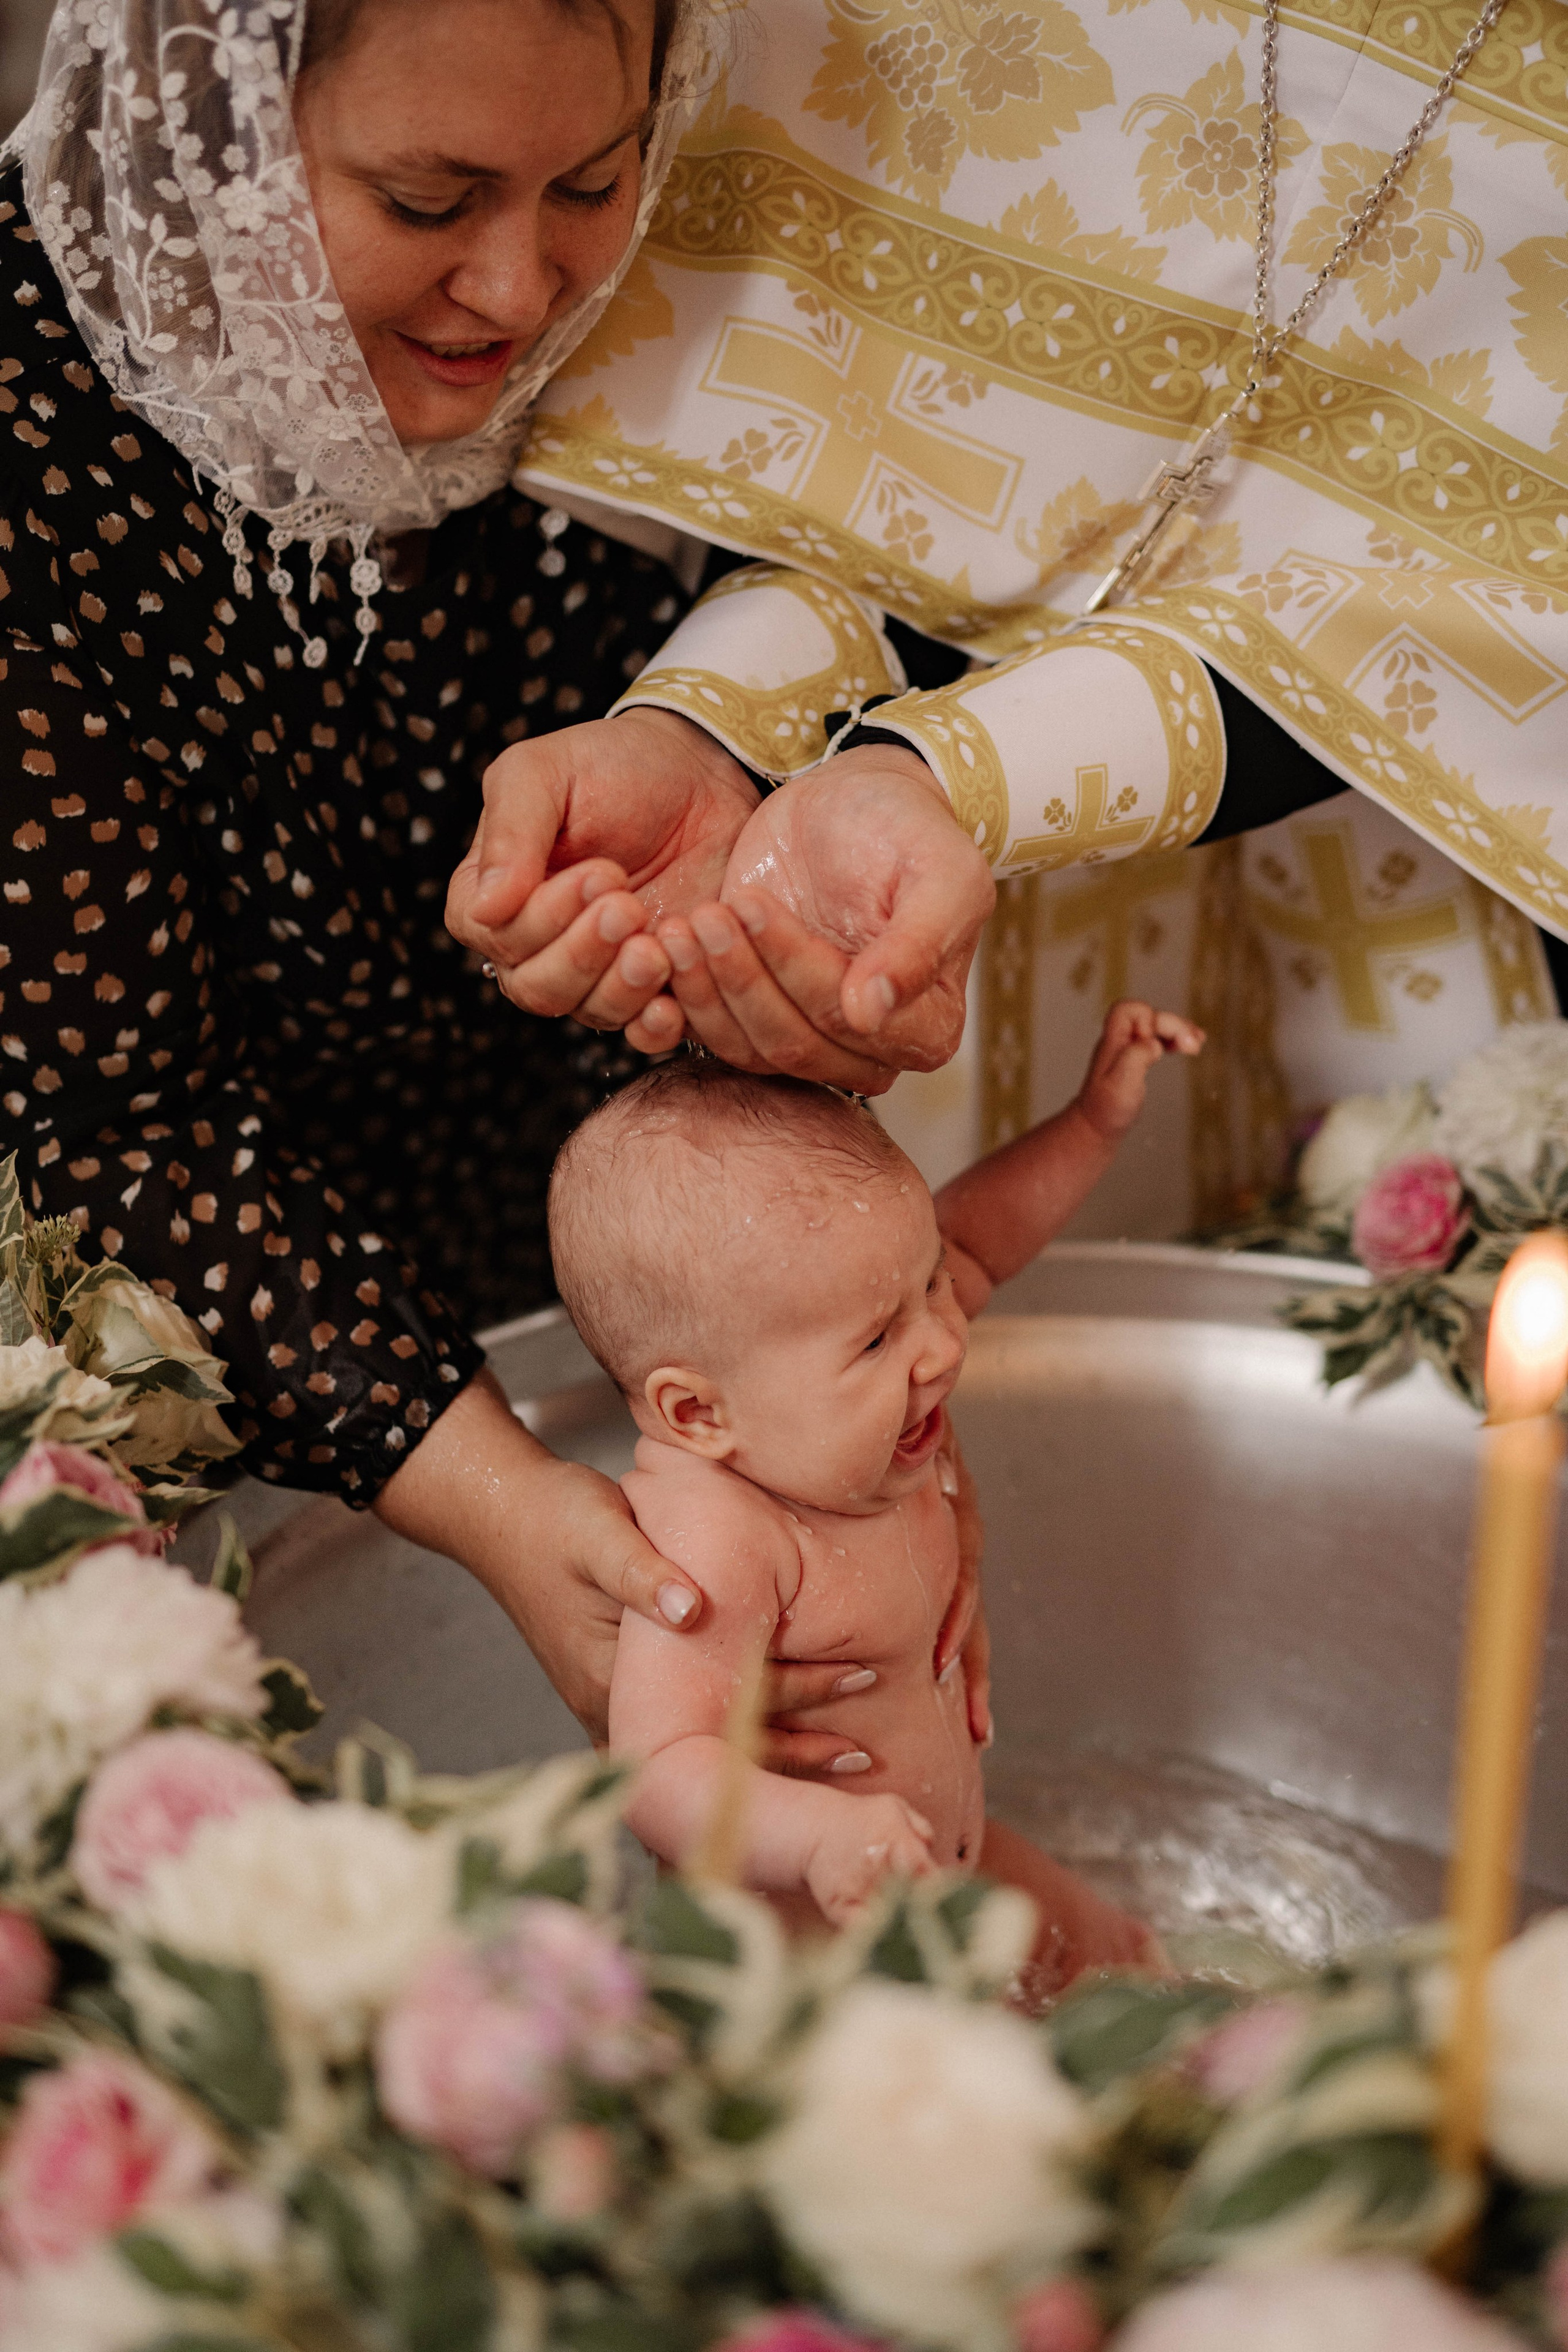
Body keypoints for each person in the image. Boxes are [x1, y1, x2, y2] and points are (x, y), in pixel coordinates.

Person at [0, 0, 979, 1757]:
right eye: (427, 200)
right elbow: (111, 1127)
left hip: (573, 1238)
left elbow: (823, 631)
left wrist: (828, 1387)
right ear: (203, 114)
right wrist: (501, 1501)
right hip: (177, 1309)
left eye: (592, 181)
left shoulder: (666, 317)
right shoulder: (28, 470)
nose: (522, 291)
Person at [447, 0, 1568, 1081]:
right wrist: (717, 726)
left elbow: (1495, 596)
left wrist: (945, 778)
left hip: (1422, 873)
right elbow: (849, 434)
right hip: (870, 854)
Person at [550, 1002, 1200, 1985]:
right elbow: (656, 1770)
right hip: (820, 1960)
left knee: (1129, 1962)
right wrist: (818, 1836)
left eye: (929, 1286)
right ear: (699, 1413)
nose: (942, 1343)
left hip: (944, 1873)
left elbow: (981, 1241)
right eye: (875, 1341)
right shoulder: (720, 1536)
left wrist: (1092, 1122)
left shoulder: (832, 1401)